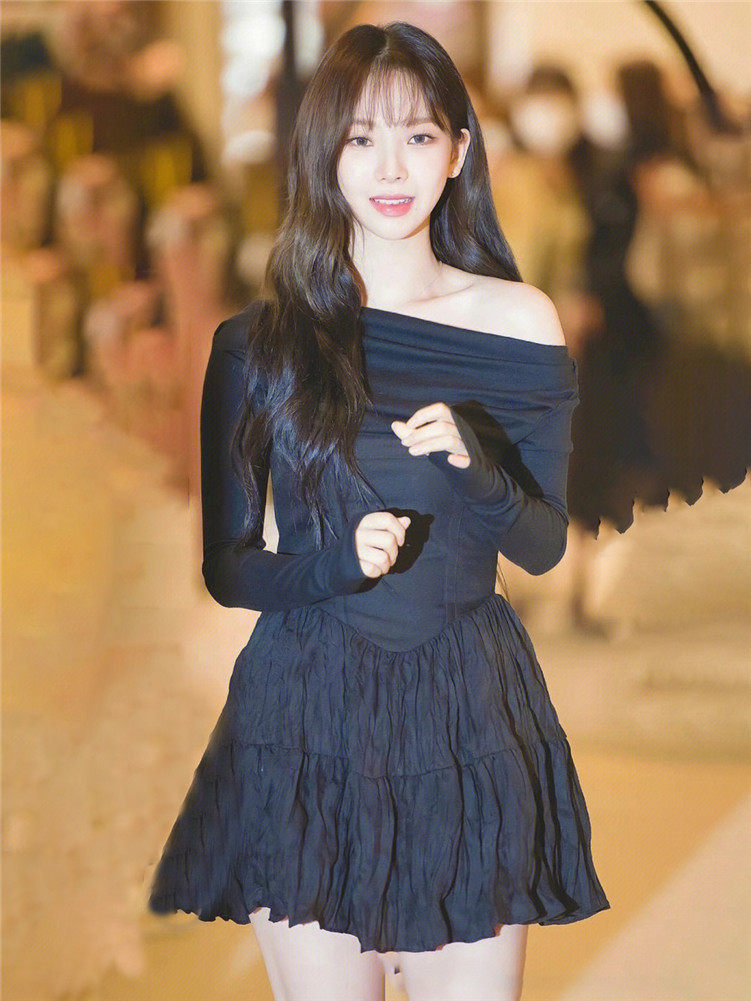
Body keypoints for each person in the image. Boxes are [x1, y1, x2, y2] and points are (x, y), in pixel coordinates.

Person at [147, 22, 610, 1001]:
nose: (390, 167)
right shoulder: (259, 343)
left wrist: (479, 468)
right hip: (303, 708)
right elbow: (228, 565)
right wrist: (333, 565)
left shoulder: (517, 320)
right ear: (323, 152)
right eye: (360, 138)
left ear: (459, 150)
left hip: (464, 703)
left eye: (417, 135)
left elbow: (540, 545)